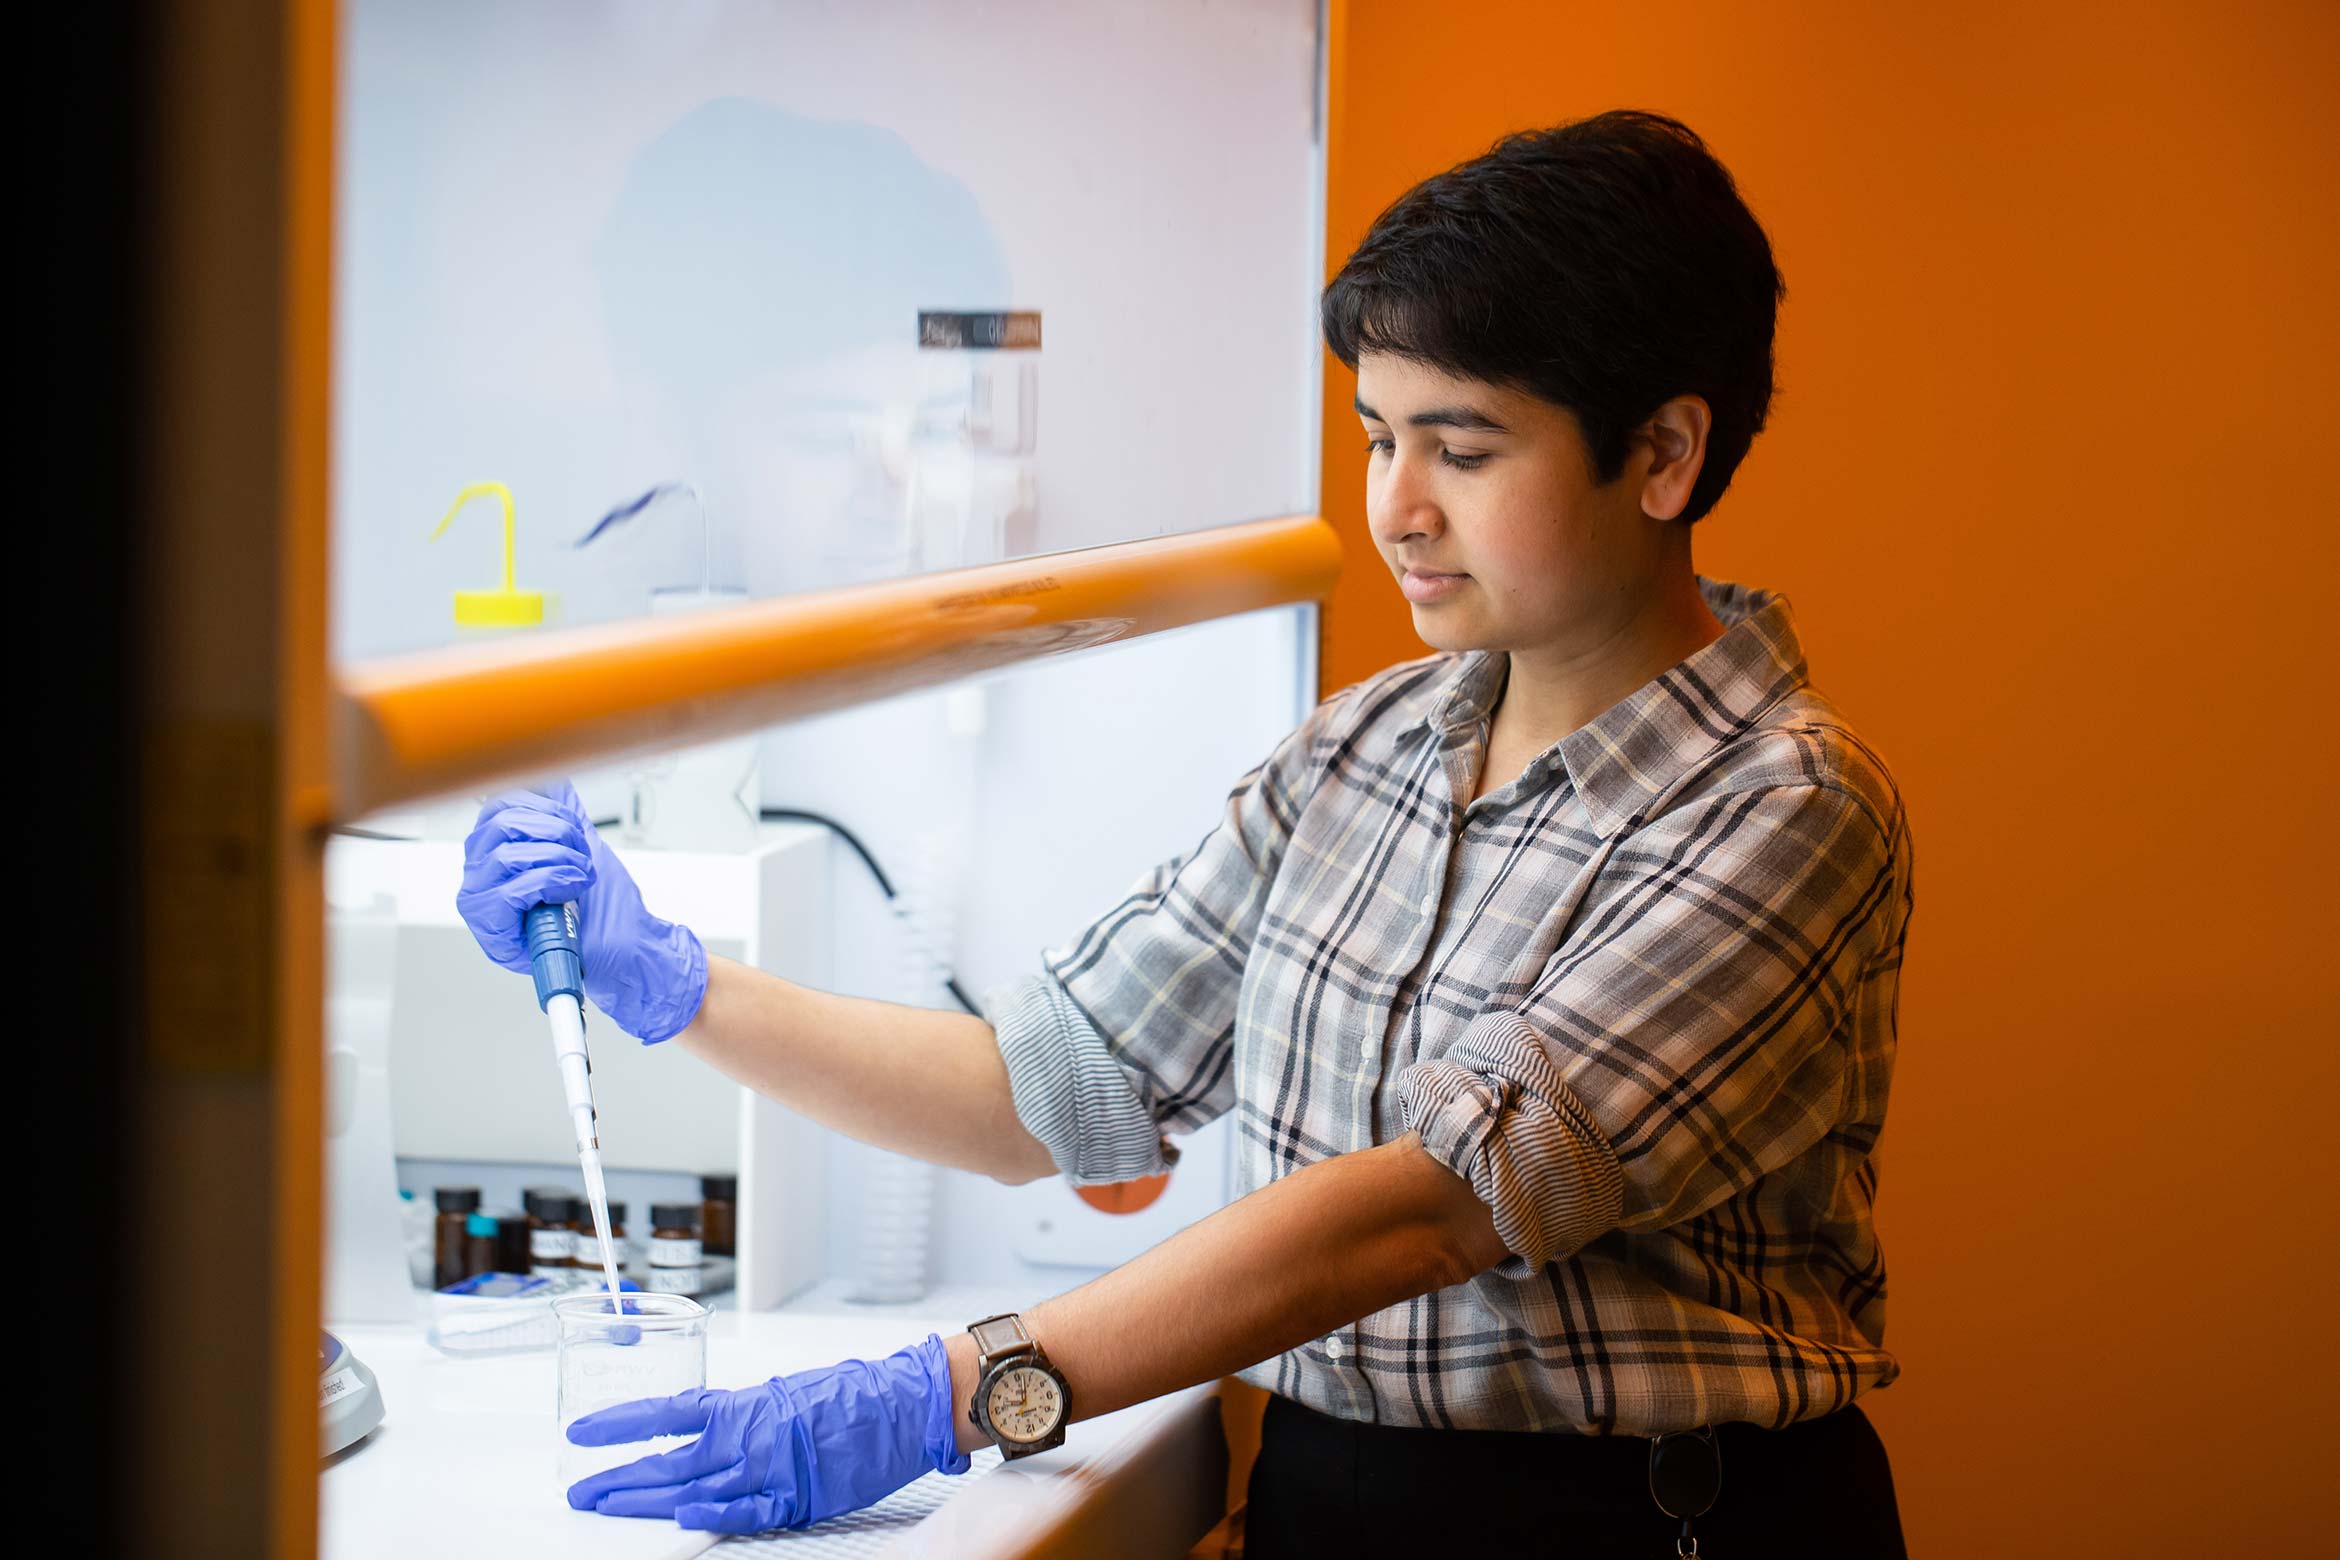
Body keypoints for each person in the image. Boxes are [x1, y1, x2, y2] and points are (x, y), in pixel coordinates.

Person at [457, 109, 1913, 1556]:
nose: (1396, 508)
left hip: (1643, 1525)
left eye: (1461, 451)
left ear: (1662, 454)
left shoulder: (1786, 805)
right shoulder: (1363, 747)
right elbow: (1052, 1089)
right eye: (1377, 438)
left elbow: (1421, 1217)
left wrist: (949, 1393)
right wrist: (673, 978)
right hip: (1326, 1495)